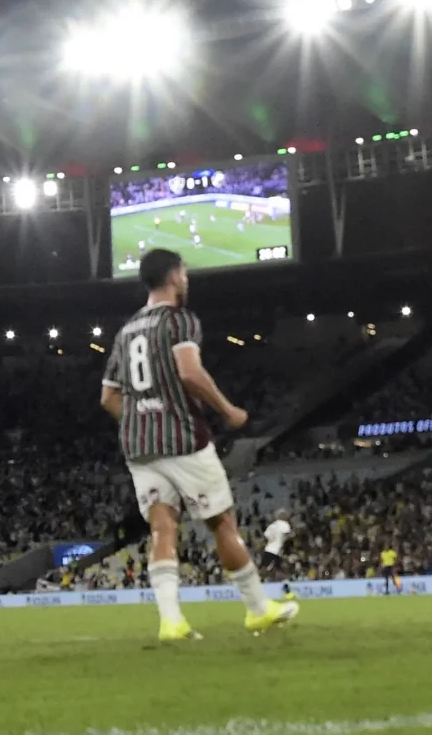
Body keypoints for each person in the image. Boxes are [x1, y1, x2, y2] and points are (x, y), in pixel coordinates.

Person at [99, 248, 297, 642]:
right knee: (221, 521)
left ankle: (172, 621)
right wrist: (227, 410)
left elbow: (108, 398)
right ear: (173, 276)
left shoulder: (126, 332)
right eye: (184, 273)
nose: (186, 280)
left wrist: (141, 421)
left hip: (139, 446)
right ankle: (257, 609)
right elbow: (189, 372)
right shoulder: (178, 321)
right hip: (182, 438)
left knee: (162, 527)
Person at [260, 510, 292, 575]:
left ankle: (261, 581)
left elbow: (266, 537)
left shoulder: (272, 525)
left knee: (265, 566)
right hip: (278, 550)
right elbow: (287, 535)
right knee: (279, 567)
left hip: (269, 549)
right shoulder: (285, 524)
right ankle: (284, 581)